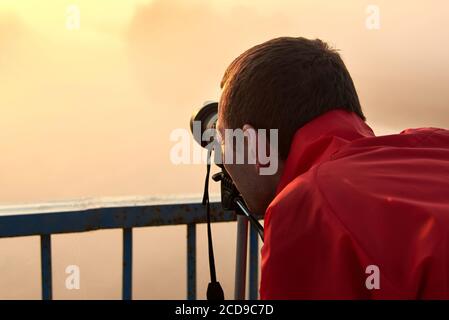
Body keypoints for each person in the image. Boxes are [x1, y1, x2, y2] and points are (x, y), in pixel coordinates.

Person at [215, 36, 449, 299]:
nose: (221, 159)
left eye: (224, 140)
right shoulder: (437, 144)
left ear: (253, 146)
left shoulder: (307, 206)